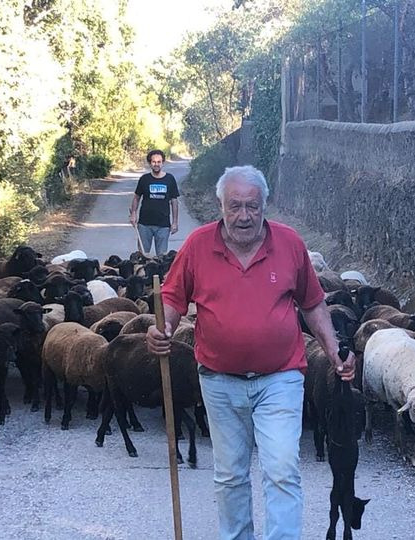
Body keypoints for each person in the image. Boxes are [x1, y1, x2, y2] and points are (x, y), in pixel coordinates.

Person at [146, 165, 356, 540]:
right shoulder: (198, 245)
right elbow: (172, 297)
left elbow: (312, 303)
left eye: (252, 207)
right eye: (235, 206)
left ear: (264, 206)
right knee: (230, 475)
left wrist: (335, 350)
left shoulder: (289, 244)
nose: (244, 216)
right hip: (218, 380)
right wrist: (163, 329)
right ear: (221, 206)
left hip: (280, 377)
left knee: (281, 469)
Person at [129, 149, 179, 255]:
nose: (156, 164)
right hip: (144, 225)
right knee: (142, 256)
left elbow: (174, 201)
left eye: (159, 162)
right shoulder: (144, 179)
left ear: (163, 162)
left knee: (162, 259)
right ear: (150, 163)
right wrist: (133, 213)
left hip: (163, 226)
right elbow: (136, 197)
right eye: (154, 162)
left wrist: (174, 222)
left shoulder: (170, 179)